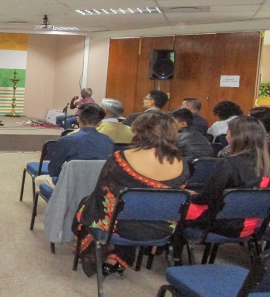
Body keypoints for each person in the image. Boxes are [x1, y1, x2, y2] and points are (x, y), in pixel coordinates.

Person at [73, 112, 189, 277]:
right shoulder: (182, 163)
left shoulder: (121, 158)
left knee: (89, 204)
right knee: (132, 211)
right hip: (162, 229)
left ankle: (105, 254)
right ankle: (116, 258)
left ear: (140, 131)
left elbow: (101, 194)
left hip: (120, 228)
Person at [173, 116, 270, 263]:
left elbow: (206, 198)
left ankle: (176, 258)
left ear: (238, 137)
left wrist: (190, 195)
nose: (226, 136)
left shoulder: (227, 164)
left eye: (229, 132)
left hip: (221, 223)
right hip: (254, 224)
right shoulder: (265, 165)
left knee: (179, 207)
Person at [35, 103, 114, 190]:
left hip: (71, 184)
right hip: (97, 184)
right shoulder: (108, 141)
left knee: (38, 180)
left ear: (78, 119)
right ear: (99, 123)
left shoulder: (66, 140)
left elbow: (53, 170)